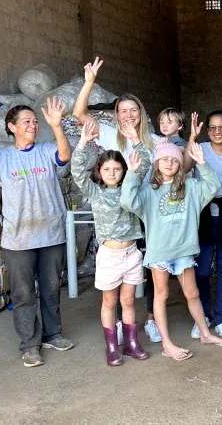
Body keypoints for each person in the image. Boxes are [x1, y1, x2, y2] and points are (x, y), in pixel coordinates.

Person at [0, 101, 73, 368]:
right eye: (26, 121)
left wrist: (56, 126)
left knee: (52, 288)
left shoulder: (45, 151)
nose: (33, 125)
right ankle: (30, 344)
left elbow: (64, 155)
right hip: (18, 238)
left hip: (51, 234)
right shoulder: (2, 157)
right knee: (23, 294)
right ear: (11, 127)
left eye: (35, 121)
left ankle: (53, 334)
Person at [74, 57, 161, 344]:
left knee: (150, 267)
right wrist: (89, 83)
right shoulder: (110, 133)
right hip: (120, 214)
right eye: (122, 111)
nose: (128, 115)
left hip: (147, 212)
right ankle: (123, 329)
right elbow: (79, 114)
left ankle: (150, 319)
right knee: (122, 283)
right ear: (116, 114)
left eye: (133, 110)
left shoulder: (155, 140)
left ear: (141, 113)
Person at [121, 138, 222, 360]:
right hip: (160, 252)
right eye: (164, 159)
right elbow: (127, 201)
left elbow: (214, 187)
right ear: (156, 163)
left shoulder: (190, 188)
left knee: (192, 293)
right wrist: (132, 174)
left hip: (184, 251)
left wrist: (202, 163)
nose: (169, 163)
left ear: (181, 165)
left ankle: (204, 333)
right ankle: (167, 345)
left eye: (174, 159)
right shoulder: (149, 192)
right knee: (161, 295)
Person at [71, 122, 152, 366]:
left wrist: (136, 139)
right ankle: (111, 346)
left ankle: (131, 343)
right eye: (107, 169)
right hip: (108, 256)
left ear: (124, 170)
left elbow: (145, 162)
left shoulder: (131, 186)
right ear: (100, 172)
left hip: (131, 254)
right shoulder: (95, 192)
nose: (113, 173)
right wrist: (83, 142)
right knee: (109, 302)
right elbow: (76, 172)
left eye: (117, 168)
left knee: (128, 301)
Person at [183, 110, 222, 340]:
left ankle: (221, 317)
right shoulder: (201, 149)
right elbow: (185, 166)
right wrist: (192, 136)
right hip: (202, 214)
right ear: (207, 130)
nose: (217, 131)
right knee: (200, 270)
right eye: (212, 128)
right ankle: (203, 317)